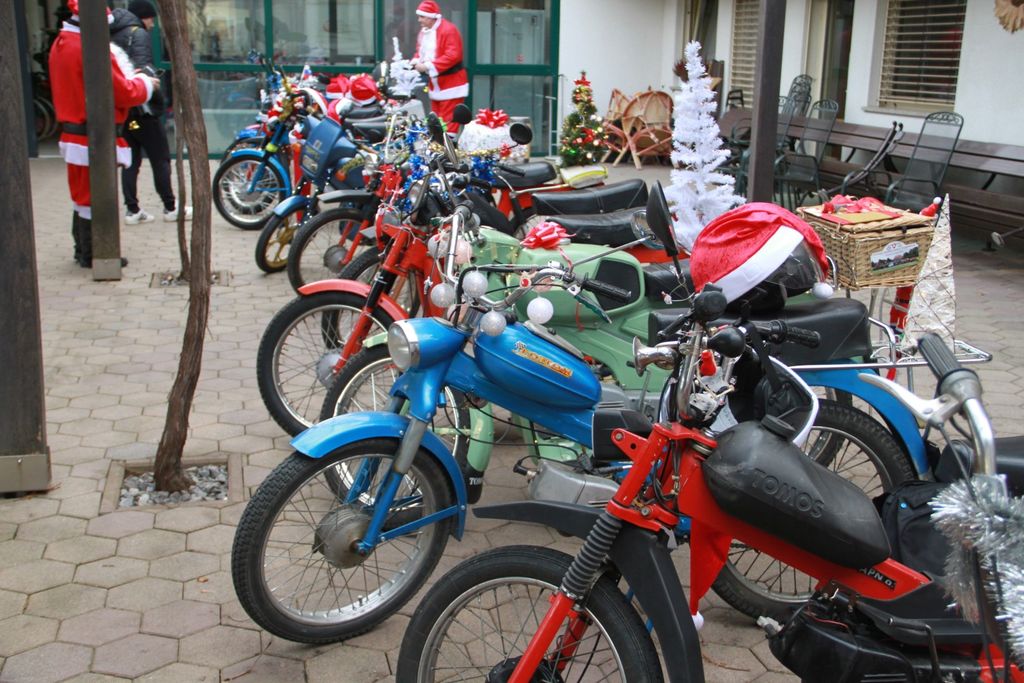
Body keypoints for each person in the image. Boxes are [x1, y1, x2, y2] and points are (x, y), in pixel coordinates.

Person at [49, 0, 158, 268]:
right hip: (94, 136)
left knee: (82, 196)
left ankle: (83, 249)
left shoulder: (62, 44)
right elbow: (121, 92)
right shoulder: (89, 48)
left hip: (77, 134)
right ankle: (95, 253)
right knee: (94, 197)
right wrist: (145, 83)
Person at [110, 0, 191, 224]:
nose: (153, 24)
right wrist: (152, 80)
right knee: (160, 158)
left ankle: (132, 210)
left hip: (125, 110)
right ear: (141, 16)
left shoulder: (112, 35)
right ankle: (171, 207)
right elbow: (141, 68)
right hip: (142, 109)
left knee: (131, 161)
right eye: (150, 18)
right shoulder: (138, 34)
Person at [410, 0, 468, 131]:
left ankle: (447, 143)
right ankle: (437, 141)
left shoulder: (448, 30)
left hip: (451, 84)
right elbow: (420, 52)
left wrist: (427, 66)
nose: (419, 20)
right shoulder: (425, 32)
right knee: (436, 121)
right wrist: (415, 61)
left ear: (431, 17)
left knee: (448, 122)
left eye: (422, 17)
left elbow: (453, 55)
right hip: (436, 84)